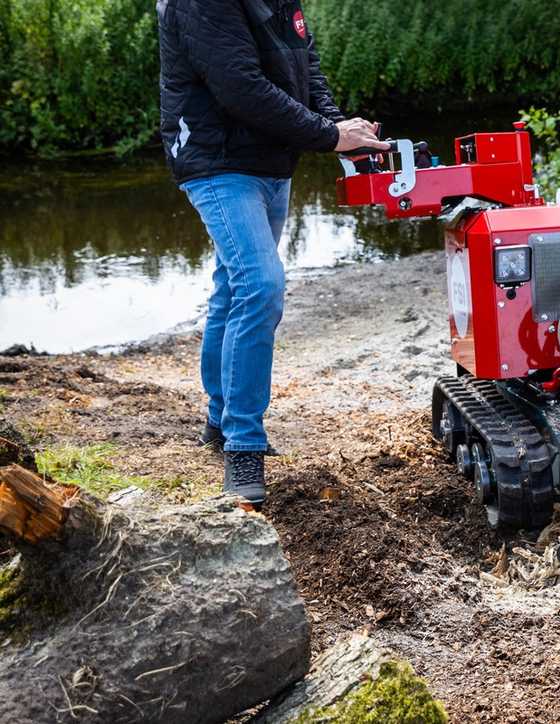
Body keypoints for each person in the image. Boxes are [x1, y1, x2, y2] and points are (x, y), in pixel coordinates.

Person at [157, 0, 386, 506]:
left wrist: (340, 126)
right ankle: (244, 444)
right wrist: (328, 136)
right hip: (216, 161)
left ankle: (219, 421)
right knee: (261, 286)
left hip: (270, 161)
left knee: (234, 288)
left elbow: (306, 68)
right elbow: (241, 87)